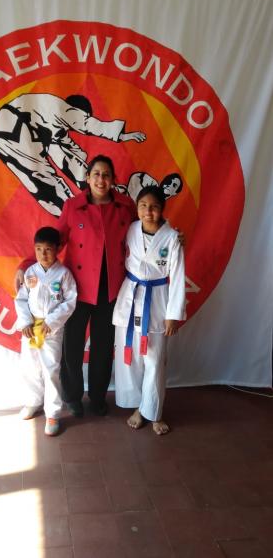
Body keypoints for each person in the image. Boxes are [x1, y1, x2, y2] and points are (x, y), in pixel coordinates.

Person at [57, 155, 137, 417]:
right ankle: (71, 397)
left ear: (113, 180)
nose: (101, 180)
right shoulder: (72, 207)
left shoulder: (126, 207)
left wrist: (169, 236)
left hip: (112, 287)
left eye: (106, 175)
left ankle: (98, 398)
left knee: (103, 346)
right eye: (96, 174)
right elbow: (56, 241)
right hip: (77, 288)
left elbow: (144, 233)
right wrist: (28, 265)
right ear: (87, 178)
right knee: (72, 345)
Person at [0, 92, 145, 216]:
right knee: (42, 178)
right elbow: (86, 124)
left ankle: (77, 212)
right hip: (11, 128)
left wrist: (94, 182)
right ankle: (76, 216)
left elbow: (72, 153)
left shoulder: (49, 119)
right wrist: (123, 135)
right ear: (76, 110)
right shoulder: (60, 108)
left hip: (4, 131)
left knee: (49, 167)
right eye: (81, 115)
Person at [113, 185, 186, 435]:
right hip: (130, 297)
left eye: (154, 207)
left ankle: (154, 411)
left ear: (162, 209)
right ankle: (138, 407)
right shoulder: (131, 229)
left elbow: (177, 277)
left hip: (157, 301)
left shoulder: (172, 238)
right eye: (143, 206)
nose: (148, 211)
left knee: (154, 361)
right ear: (137, 207)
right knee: (130, 358)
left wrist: (172, 315)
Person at [14, 226, 77, 435]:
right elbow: (21, 299)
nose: (43, 254)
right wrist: (24, 322)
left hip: (51, 329)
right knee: (30, 366)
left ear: (58, 248)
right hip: (31, 327)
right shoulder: (31, 272)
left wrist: (53, 320)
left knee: (51, 370)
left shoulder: (64, 274)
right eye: (39, 249)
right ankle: (33, 401)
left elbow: (70, 301)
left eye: (48, 249)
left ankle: (53, 413)